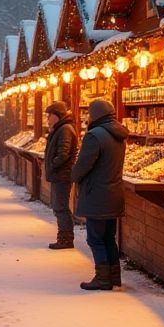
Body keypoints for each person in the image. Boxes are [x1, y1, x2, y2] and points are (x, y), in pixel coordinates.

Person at [70, 99, 128, 290]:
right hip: (114, 192)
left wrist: (74, 176)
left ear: (95, 114)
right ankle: (114, 277)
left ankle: (102, 279)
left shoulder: (95, 136)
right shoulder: (118, 134)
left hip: (97, 194)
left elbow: (83, 165)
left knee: (95, 238)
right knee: (108, 237)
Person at [42, 101, 79, 250]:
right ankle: (64, 237)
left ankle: (66, 239)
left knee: (61, 207)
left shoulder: (65, 129)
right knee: (59, 207)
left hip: (62, 175)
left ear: (57, 115)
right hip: (60, 174)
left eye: (49, 115)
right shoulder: (61, 128)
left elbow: (63, 153)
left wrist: (52, 164)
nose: (48, 118)